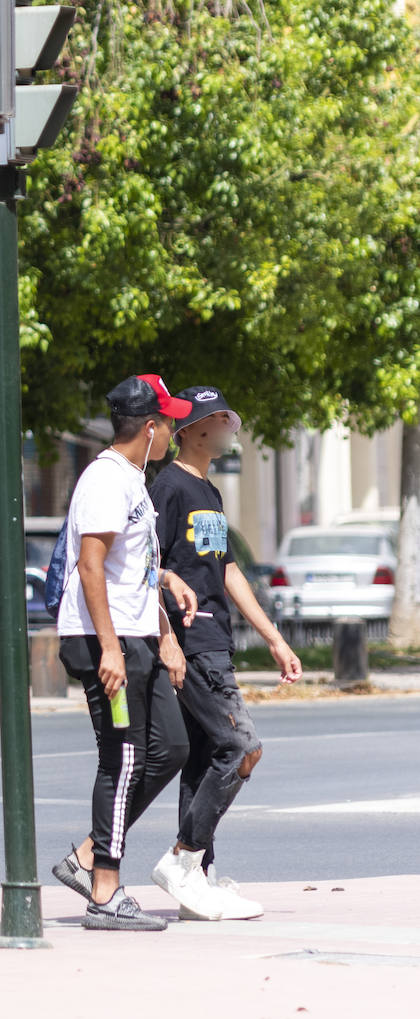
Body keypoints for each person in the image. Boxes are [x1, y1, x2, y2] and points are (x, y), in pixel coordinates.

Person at [149, 386, 303, 921]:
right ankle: (181, 861)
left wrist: (274, 637)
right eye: (214, 418)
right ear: (188, 430)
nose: (224, 426)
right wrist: (166, 636)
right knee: (241, 749)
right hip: (191, 642)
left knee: (204, 758)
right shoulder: (166, 488)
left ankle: (199, 880)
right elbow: (148, 567)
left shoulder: (208, 492)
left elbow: (228, 571)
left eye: (226, 417)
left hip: (217, 639)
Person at [51, 374, 198, 931]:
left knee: (172, 747)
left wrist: (163, 632)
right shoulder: (106, 480)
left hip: (137, 636)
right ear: (152, 428)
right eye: (170, 421)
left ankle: (89, 853)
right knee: (125, 756)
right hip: (102, 642)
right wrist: (110, 647)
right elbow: (90, 566)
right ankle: (105, 891)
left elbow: (128, 568)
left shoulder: (135, 480)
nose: (174, 430)